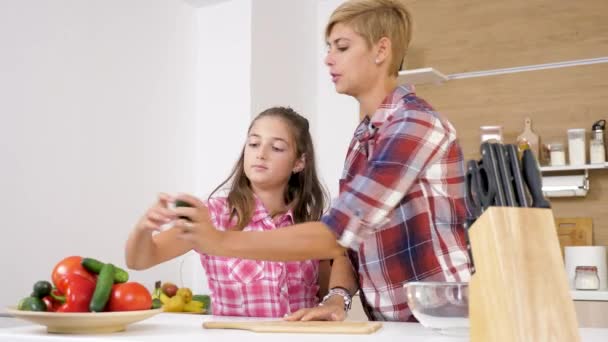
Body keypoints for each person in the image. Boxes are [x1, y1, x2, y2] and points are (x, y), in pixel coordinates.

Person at [169, 0, 471, 322]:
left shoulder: (414, 124)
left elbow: (336, 234)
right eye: (329, 48)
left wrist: (221, 240)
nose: (328, 59)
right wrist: (336, 299)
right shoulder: (363, 137)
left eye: (341, 47)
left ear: (381, 50)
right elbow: (352, 243)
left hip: (444, 316)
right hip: (396, 321)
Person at [125, 106, 341, 318]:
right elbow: (139, 261)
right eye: (254, 144)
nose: (261, 154)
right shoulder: (212, 216)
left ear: (299, 162)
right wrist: (144, 228)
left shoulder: (313, 225)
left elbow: (327, 294)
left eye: (276, 148)